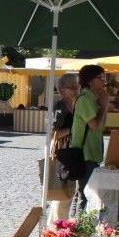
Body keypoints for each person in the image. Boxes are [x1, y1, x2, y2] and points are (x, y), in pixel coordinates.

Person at [71, 64, 108, 211]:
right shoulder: (85, 99)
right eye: (100, 78)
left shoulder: (93, 98)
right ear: (90, 80)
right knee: (85, 195)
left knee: (83, 194)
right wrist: (104, 106)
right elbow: (94, 125)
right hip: (85, 153)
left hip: (92, 153)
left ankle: (74, 228)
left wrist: (103, 106)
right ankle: (76, 229)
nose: (104, 81)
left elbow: (101, 126)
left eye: (104, 78)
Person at [48, 73, 80, 221]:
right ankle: (57, 228)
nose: (76, 90)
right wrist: (73, 129)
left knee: (70, 193)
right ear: (61, 89)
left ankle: (59, 225)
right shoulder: (60, 107)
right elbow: (53, 133)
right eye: (71, 87)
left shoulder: (79, 104)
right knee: (61, 195)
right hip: (62, 154)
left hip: (74, 153)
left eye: (77, 86)